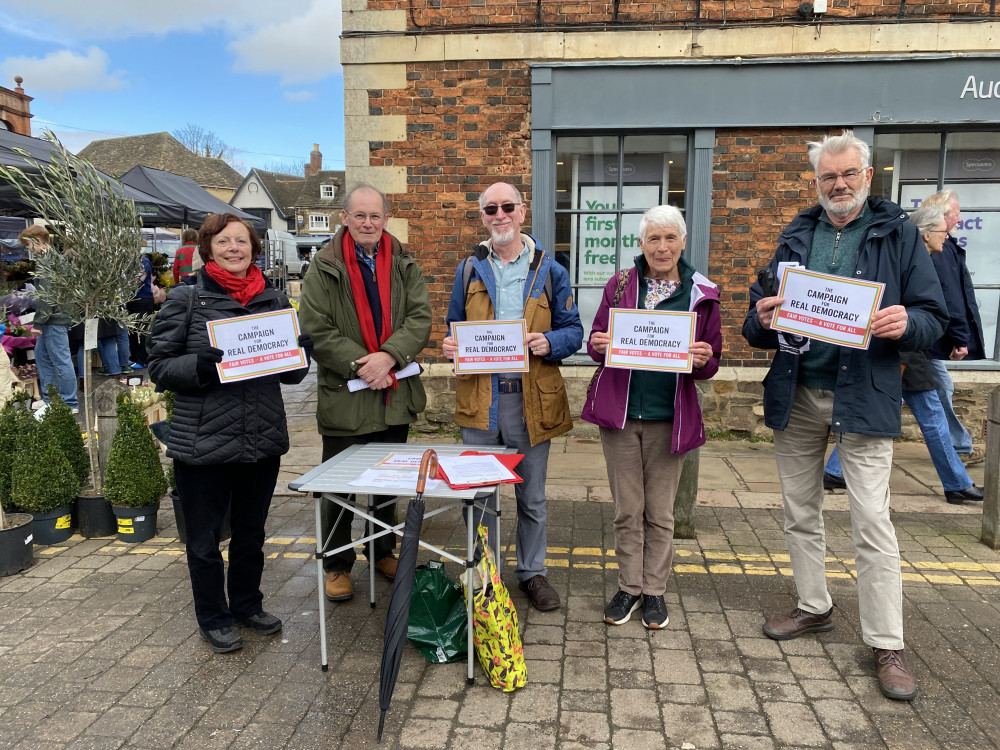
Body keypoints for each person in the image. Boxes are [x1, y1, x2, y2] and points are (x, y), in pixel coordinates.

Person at [743, 130, 948, 701]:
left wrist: (907, 323)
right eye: (828, 176)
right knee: (799, 511)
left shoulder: (899, 234)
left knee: (871, 522)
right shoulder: (797, 233)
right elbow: (758, 322)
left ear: (867, 175)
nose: (838, 184)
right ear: (816, 182)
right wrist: (762, 317)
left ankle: (887, 642)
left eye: (847, 174)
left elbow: (935, 317)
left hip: (865, 393)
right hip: (799, 389)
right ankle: (814, 607)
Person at [147, 212, 311, 654]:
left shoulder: (275, 301)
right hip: (202, 441)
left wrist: (300, 356)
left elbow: (292, 379)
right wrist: (199, 367)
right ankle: (213, 617)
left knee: (251, 533)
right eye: (224, 242)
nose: (234, 248)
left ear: (254, 249)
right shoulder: (187, 297)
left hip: (259, 436)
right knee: (203, 540)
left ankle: (246, 605)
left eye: (241, 241)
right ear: (209, 248)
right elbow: (158, 366)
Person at [443, 182, 583, 612]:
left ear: (522, 212)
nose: (499, 214)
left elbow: (574, 330)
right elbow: (453, 325)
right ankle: (484, 575)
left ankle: (532, 573)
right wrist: (451, 345)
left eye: (507, 207)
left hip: (531, 400)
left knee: (532, 496)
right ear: (482, 216)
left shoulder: (551, 269)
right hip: (480, 398)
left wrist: (550, 342)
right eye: (490, 209)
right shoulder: (469, 268)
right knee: (479, 494)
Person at [581, 205, 721, 629]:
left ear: (682, 242)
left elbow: (711, 361)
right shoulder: (621, 283)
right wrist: (600, 344)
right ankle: (629, 587)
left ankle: (655, 592)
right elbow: (595, 344)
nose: (662, 247)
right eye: (653, 239)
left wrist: (704, 357)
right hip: (621, 418)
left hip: (669, 417)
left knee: (660, 514)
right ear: (641, 244)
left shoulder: (702, 292)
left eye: (670, 238)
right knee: (627, 510)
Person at [298, 184, 431, 603]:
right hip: (347, 392)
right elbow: (316, 328)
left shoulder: (404, 261)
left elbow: (420, 316)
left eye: (375, 216)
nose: (368, 223)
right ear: (345, 218)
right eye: (360, 216)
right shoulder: (323, 266)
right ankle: (336, 564)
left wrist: (388, 357)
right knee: (339, 486)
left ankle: (381, 550)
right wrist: (364, 364)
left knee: (387, 481)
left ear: (385, 219)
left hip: (393, 388)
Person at [822, 206, 983, 504]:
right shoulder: (920, 261)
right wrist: (958, 338)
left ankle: (835, 470)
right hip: (908, 351)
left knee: (907, 407)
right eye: (941, 232)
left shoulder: (921, 257)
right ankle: (956, 482)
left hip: (911, 349)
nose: (946, 237)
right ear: (923, 234)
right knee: (932, 416)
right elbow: (944, 306)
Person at [920, 190, 986, 465]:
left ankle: (838, 468)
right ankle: (959, 447)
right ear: (942, 215)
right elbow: (950, 297)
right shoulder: (939, 249)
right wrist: (961, 338)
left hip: (922, 339)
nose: (959, 219)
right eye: (956, 213)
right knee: (938, 391)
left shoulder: (941, 245)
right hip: (923, 341)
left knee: (936, 390)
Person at [19, 225, 78, 412]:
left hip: (54, 319)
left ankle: (69, 403)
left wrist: (38, 323)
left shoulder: (47, 263)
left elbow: (47, 296)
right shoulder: (55, 259)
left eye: (28, 243)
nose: (28, 248)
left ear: (37, 240)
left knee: (61, 360)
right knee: (42, 357)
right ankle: (50, 399)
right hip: (56, 317)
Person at [127, 249, 155, 368]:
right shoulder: (131, 263)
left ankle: (143, 359)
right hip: (132, 299)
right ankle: (134, 357)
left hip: (143, 299)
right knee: (131, 331)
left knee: (143, 330)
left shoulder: (145, 263)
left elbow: (138, 281)